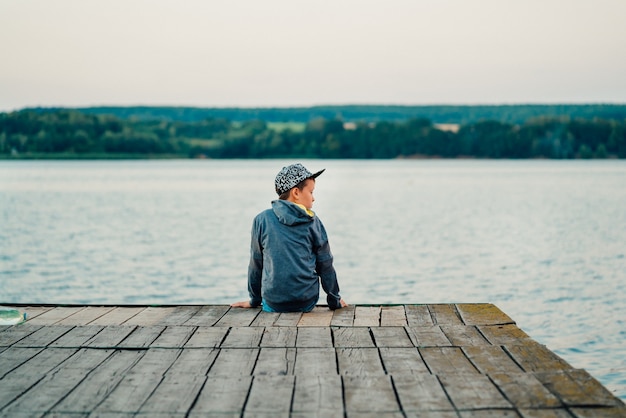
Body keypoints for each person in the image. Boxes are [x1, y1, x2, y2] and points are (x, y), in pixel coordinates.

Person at [231, 163, 347, 312]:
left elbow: (256, 264)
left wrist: (254, 300)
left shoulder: (262, 220)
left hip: (273, 303)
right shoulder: (313, 222)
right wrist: (334, 300)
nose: (313, 198)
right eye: (311, 192)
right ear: (296, 193)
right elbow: (325, 264)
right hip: (306, 302)